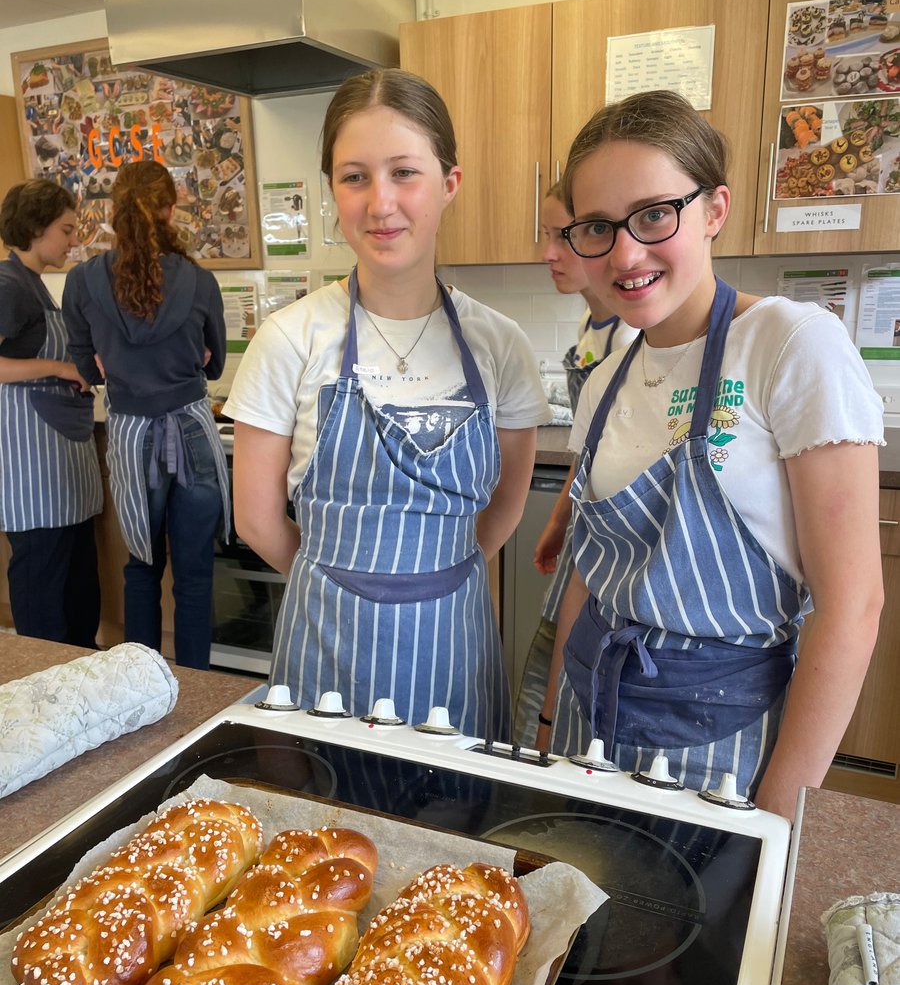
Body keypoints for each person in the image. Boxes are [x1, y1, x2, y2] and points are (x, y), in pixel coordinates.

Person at [542, 90, 883, 820]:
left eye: (655, 214)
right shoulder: (605, 378)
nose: (625, 253)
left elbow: (852, 605)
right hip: (586, 722)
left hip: (721, 741)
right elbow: (588, 573)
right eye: (596, 226)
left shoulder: (792, 345)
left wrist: (780, 813)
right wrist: (547, 729)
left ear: (714, 210)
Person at [224, 68, 550, 734]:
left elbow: (507, 504)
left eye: (405, 172)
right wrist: (340, 580)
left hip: (453, 643)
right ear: (332, 191)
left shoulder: (500, 344)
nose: (381, 203)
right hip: (326, 645)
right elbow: (257, 519)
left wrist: (430, 578)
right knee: (326, 826)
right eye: (355, 176)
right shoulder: (290, 338)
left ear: (448, 183)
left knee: (453, 824)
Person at [63, 160, 228, 669]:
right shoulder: (199, 281)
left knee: (142, 568)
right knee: (196, 573)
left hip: (131, 435)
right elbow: (216, 360)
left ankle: (139, 682)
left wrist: (114, 364)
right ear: (170, 208)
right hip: (194, 433)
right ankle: (198, 689)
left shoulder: (82, 281)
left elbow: (84, 365)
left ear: (113, 213)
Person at [512, 183, 637, 746]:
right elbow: (590, 445)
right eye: (548, 236)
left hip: (614, 535)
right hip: (586, 520)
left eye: (566, 235)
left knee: (579, 662)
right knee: (554, 651)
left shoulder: (633, 332)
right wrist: (560, 521)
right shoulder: (595, 326)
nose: (550, 252)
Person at [0, 179, 102, 645]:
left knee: (76, 587)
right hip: (31, 469)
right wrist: (61, 366)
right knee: (43, 584)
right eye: (66, 229)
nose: (74, 239)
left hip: (59, 461)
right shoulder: (8, 286)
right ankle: (41, 683)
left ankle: (78, 679)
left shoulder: (32, 285)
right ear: (36, 228)